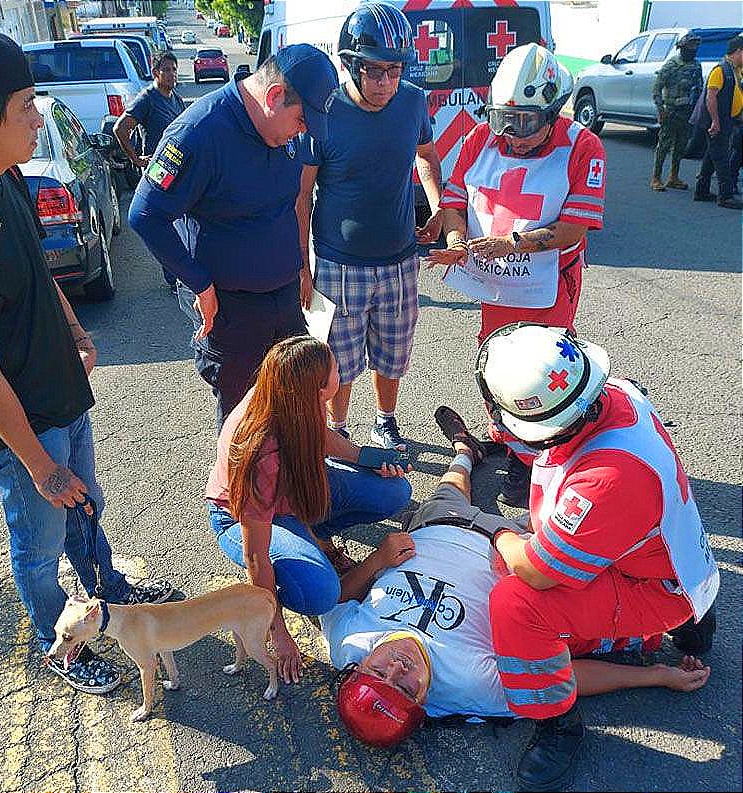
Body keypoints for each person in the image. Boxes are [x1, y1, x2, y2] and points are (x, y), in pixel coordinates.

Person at [0, 31, 172, 696]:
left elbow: (38, 270)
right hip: (21, 428)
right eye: (25, 107)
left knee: (88, 508)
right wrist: (40, 468)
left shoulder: (6, 174)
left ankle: (109, 593)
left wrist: (73, 326)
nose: (39, 119)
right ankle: (60, 646)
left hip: (61, 391)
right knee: (39, 546)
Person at [324, 404, 711, 769]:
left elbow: (330, 599)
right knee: (578, 520)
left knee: (449, 490)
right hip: (514, 549)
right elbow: (563, 676)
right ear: (425, 702)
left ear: (357, 668)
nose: (396, 667)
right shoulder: (469, 685)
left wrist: (375, 560)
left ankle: (465, 450)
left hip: (436, 525)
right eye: (405, 688)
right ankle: (683, 603)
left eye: (378, 673)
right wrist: (657, 676)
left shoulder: (349, 645)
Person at [472, 323, 718, 791]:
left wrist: (501, 535)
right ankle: (693, 626)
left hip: (656, 587)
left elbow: (538, 573)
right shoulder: (616, 395)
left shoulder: (605, 481)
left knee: (515, 604)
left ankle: (557, 723)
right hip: (678, 558)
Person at [429, 43, 607, 508]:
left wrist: (513, 244)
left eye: (528, 121)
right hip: (496, 282)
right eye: (506, 119)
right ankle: (507, 438)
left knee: (543, 367)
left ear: (552, 110)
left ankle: (534, 459)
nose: (515, 133)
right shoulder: (481, 140)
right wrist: (453, 242)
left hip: (547, 283)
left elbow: (574, 227)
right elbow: (452, 203)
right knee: (494, 361)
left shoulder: (582, 146)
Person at [128, 45, 339, 432]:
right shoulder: (198, 132)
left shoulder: (281, 128)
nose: (303, 130)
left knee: (301, 402)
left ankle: (296, 488)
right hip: (231, 307)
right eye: (301, 120)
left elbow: (288, 204)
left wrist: (301, 272)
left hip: (283, 298)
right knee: (245, 420)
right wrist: (199, 283)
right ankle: (239, 494)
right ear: (274, 96)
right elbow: (145, 214)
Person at [206, 336, 412, 684]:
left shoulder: (290, 390)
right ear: (319, 387)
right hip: (240, 518)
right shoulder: (261, 452)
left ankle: (313, 537)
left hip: (292, 491)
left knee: (395, 491)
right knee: (322, 594)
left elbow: (320, 435)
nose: (340, 370)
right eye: (334, 368)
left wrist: (368, 459)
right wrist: (276, 630)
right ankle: (304, 551)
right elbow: (256, 553)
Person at [296, 2, 443, 450]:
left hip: (400, 259)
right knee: (337, 362)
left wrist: (436, 204)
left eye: (395, 71)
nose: (386, 84)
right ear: (352, 66)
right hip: (340, 264)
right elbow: (301, 197)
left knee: (393, 354)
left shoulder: (413, 102)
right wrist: (302, 269)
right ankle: (338, 430)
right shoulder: (325, 112)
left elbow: (427, 155)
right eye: (375, 72)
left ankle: (386, 420)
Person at [113, 51, 186, 291]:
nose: (172, 74)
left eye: (174, 69)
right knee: (162, 225)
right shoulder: (147, 98)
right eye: (167, 70)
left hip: (179, 172)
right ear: (156, 73)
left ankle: (180, 272)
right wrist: (136, 159)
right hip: (158, 175)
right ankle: (173, 277)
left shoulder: (175, 98)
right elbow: (120, 129)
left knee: (180, 224)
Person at [694, 34, 743, 209]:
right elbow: (710, 97)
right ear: (738, 52)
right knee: (721, 157)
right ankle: (726, 196)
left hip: (727, 120)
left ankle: (701, 190)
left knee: (711, 154)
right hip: (717, 121)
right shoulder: (720, 71)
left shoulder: (735, 70)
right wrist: (715, 121)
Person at [650, 32, 704, 191]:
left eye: (695, 46)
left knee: (680, 146)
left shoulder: (696, 65)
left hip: (687, 112)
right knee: (664, 145)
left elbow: (699, 88)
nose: (693, 49)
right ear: (682, 48)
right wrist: (661, 110)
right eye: (690, 46)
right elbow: (657, 88)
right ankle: (656, 177)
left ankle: (673, 177)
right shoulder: (671, 65)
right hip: (671, 112)